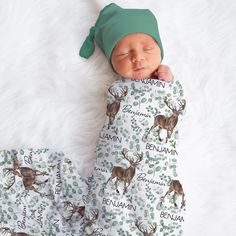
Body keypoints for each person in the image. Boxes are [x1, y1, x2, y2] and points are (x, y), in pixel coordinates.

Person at [79, 3, 186, 236]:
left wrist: (167, 84)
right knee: (108, 200)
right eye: (124, 54)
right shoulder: (117, 89)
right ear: (112, 62)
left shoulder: (165, 85)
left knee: (155, 203)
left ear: (160, 50)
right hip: (113, 158)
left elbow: (178, 111)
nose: (137, 58)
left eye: (147, 49)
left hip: (157, 167)